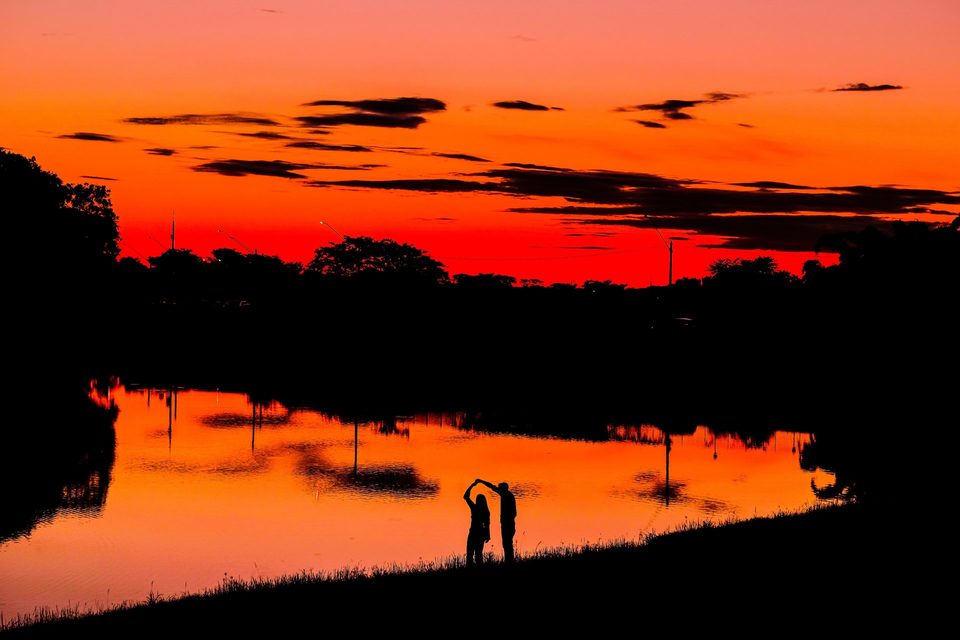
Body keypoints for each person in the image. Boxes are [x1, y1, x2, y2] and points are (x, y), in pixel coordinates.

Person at [477, 478, 517, 562]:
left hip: (508, 524)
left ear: (504, 488)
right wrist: (482, 481)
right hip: (506, 524)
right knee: (506, 544)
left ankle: (509, 561)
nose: (498, 490)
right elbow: (492, 487)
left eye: (500, 488)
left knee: (507, 543)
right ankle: (509, 560)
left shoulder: (508, 496)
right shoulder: (505, 494)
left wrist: (507, 521)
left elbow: (514, 513)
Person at [463, 480, 490, 565]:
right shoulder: (486, 511)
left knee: (470, 554)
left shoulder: (474, 508)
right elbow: (487, 525)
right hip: (481, 533)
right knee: (478, 554)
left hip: (473, 532)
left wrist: (472, 486)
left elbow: (466, 496)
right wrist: (488, 535)